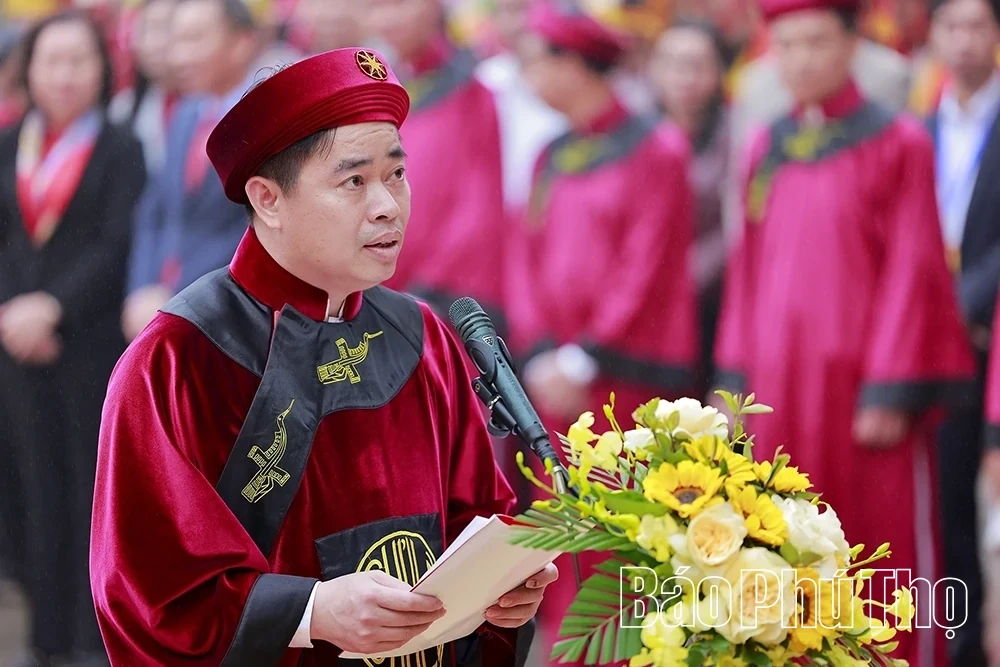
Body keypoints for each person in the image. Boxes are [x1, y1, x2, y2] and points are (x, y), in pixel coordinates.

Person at [90, 46, 554, 667]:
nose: (388, 205)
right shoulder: (179, 360)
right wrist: (312, 614)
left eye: (396, 174)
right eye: (354, 181)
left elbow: (480, 518)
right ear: (268, 199)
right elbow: (150, 594)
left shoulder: (423, 336)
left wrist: (505, 592)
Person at [712, 1, 977, 664]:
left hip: (859, 388)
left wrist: (891, 387)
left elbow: (915, 268)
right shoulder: (766, 145)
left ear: (851, 46)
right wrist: (733, 380)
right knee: (780, 543)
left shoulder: (897, 140)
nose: (801, 59)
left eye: (817, 42)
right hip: (776, 386)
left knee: (872, 542)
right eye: (788, 44)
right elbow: (746, 269)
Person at [506, 2, 699, 663]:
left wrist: (584, 356)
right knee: (563, 532)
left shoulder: (656, 149)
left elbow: (646, 264)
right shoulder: (550, 154)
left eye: (536, 60)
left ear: (572, 65)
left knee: (623, 536)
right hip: (553, 383)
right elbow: (524, 257)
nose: (525, 74)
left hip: (620, 378)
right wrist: (534, 356)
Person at [0, 10, 147, 666]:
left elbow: (116, 243)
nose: (63, 75)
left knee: (91, 490)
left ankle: (94, 638)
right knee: (31, 488)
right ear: (28, 69)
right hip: (14, 344)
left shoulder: (121, 146)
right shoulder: (9, 144)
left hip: (87, 344)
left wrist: (53, 307)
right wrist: (14, 312)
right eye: (51, 60)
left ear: (102, 69)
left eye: (78, 61)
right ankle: (43, 636)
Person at [927, 2, 1000, 665]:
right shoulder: (918, 127)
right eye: (953, 26)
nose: (966, 40)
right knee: (945, 493)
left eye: (979, 26)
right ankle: (959, 637)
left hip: (987, 326)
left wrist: (966, 300)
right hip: (932, 338)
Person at [120, 0, 260, 343]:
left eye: (195, 40)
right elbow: (155, 211)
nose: (181, 56)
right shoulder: (185, 113)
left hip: (230, 315)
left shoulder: (263, 122)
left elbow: (250, 228)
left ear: (241, 43)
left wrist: (179, 296)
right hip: (159, 306)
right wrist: (140, 289)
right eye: (177, 41)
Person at [365, 0, 507, 328]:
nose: (388, 18)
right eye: (374, 6)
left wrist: (429, 286)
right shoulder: (378, 89)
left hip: (445, 298)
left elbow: (480, 207)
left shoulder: (475, 95)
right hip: (381, 286)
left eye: (400, 5)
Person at [649, 17, 731, 396]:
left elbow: (734, 231)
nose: (685, 76)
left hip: (712, 305)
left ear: (719, 72)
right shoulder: (635, 139)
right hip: (645, 313)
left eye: (698, 65)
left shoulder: (738, 138)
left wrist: (680, 281)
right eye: (673, 63)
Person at [109, 0, 180, 176]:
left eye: (164, 28)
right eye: (145, 30)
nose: (152, 42)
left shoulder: (211, 107)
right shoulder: (123, 108)